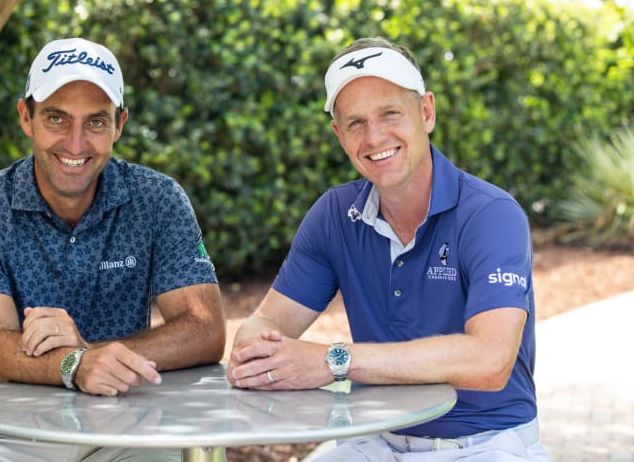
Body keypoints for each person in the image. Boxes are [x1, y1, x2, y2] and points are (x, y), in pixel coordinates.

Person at [226, 37, 549, 461]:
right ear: (339, 135)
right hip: (374, 440)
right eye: (355, 122)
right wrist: (255, 349)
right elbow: (268, 320)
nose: (374, 136)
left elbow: (489, 361)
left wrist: (333, 361)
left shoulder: (491, 214)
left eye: (390, 113)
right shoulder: (335, 215)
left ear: (426, 112)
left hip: (485, 443)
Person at [0, 37, 225, 462]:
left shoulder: (157, 200)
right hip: (0, 424)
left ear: (119, 124)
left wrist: (94, 357)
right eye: (56, 118)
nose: (75, 142)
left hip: (123, 419)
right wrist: (76, 365)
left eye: (96, 122)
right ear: (26, 117)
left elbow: (205, 329)